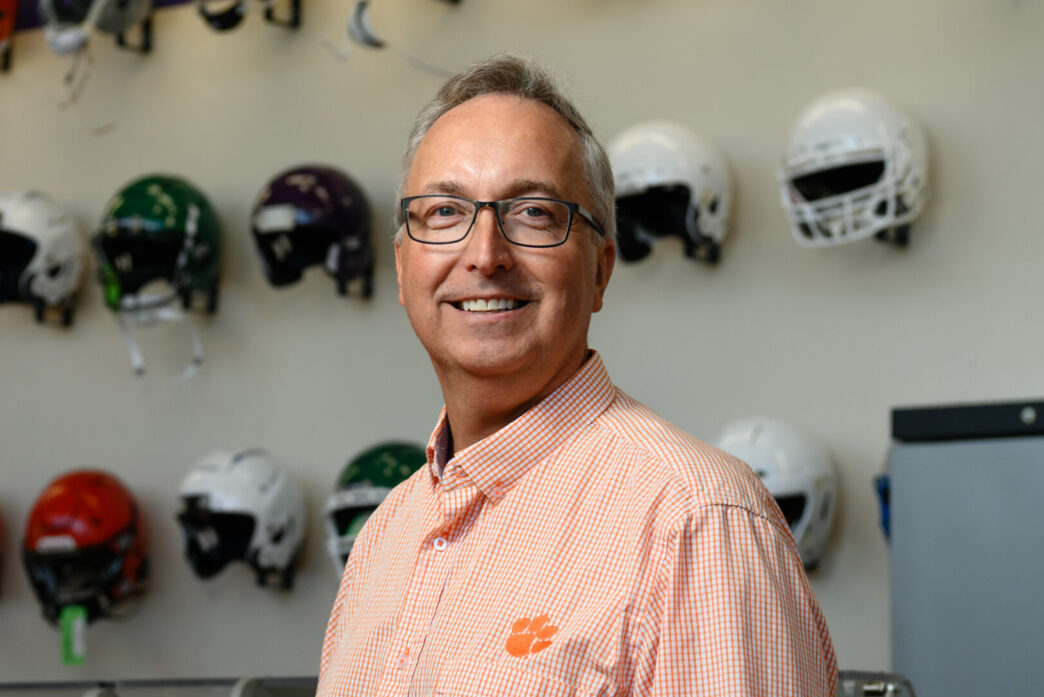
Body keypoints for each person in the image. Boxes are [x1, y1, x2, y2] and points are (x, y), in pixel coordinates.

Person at [316, 54, 838, 697]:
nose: (485, 256)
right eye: (445, 212)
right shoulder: (386, 537)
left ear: (600, 269)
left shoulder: (695, 521)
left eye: (534, 213)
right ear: (402, 268)